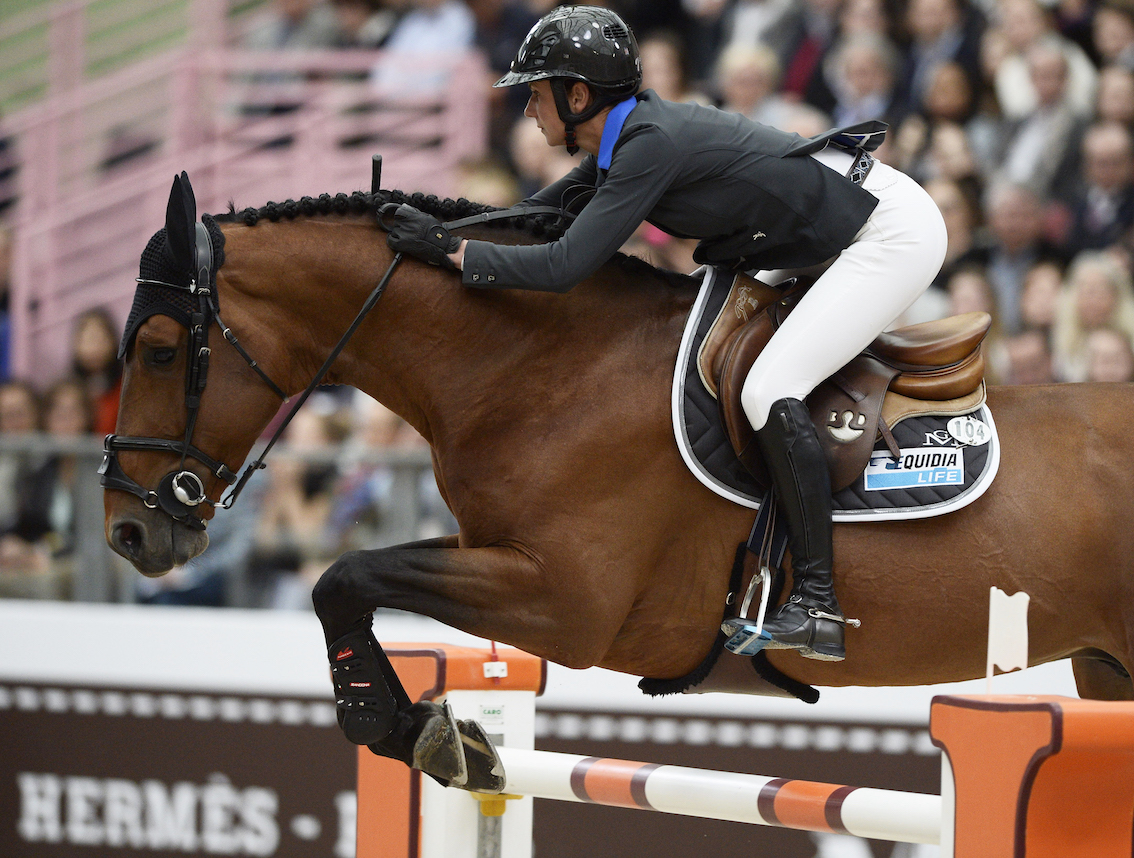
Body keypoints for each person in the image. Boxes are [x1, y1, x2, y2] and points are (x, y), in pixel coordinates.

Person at [382, 5, 948, 661]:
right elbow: (534, 215)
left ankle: (818, 601)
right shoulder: (628, 139)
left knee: (769, 388)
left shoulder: (647, 144)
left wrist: (454, 256)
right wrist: (437, 233)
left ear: (578, 95)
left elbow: (565, 265)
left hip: (887, 231)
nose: (529, 111)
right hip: (820, 227)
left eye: (537, 95)